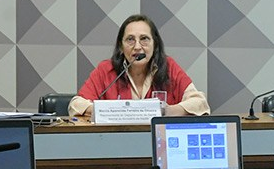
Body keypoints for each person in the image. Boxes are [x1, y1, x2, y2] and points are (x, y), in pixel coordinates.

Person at [68, 14, 210, 117]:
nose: (137, 47)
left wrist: (167, 111)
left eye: (144, 39)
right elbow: (76, 104)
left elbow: (200, 103)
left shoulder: (169, 66)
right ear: (121, 47)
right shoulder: (106, 69)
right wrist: (108, 112)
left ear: (155, 45)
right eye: (130, 39)